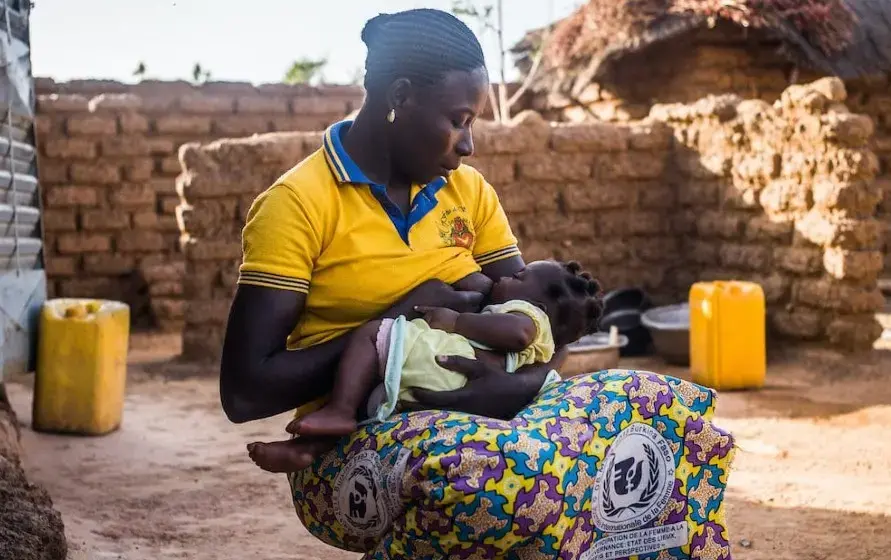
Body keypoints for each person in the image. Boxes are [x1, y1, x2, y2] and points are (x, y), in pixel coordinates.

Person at [219, 8, 565, 472]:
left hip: (485, 422)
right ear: (400, 94)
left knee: (643, 406)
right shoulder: (298, 204)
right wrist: (401, 318)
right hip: (357, 439)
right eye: (459, 120)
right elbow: (245, 393)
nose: (468, 146)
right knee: (505, 481)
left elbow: (543, 315)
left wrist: (522, 384)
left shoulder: (470, 192)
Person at [248, 260, 604, 473]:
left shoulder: (528, 318)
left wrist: (455, 321)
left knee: (375, 336)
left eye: (519, 277)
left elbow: (518, 332)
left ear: (537, 303)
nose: (507, 278)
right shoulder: (540, 332)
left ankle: (338, 409)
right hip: (447, 386)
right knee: (369, 398)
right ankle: (308, 449)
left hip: (442, 365)